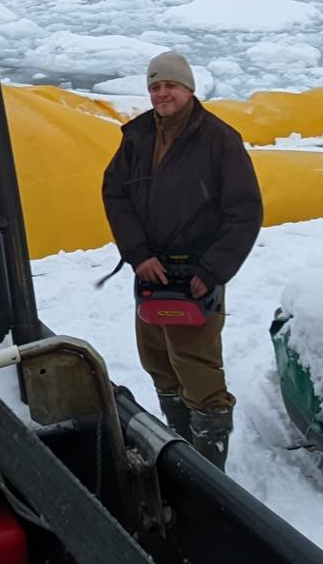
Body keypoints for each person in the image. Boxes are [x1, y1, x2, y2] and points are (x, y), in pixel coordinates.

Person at [101, 51, 262, 471]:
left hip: (197, 275)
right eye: (154, 86)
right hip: (151, 271)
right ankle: (181, 449)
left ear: (189, 89)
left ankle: (210, 472)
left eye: (169, 85)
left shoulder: (218, 139)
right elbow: (115, 194)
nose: (161, 93)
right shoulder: (137, 137)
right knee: (157, 360)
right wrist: (138, 254)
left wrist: (212, 272)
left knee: (198, 370)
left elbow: (245, 212)